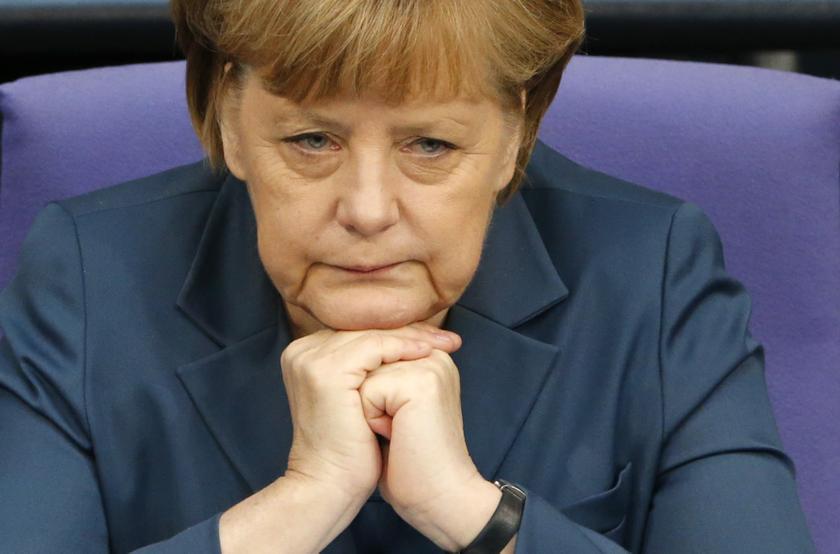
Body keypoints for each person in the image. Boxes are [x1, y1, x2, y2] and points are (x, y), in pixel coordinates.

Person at [0, 0, 817, 552]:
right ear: (227, 118)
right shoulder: (86, 272)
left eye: (428, 145)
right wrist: (296, 506)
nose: (366, 209)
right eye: (311, 141)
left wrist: (476, 515)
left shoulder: (652, 269)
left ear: (516, 134)